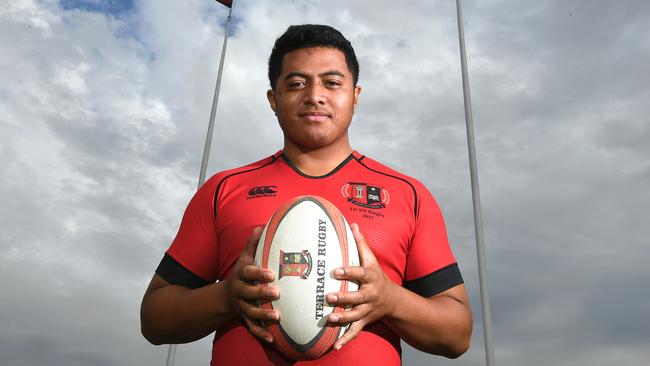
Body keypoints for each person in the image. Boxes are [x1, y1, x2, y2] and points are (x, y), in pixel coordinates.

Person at [140, 24, 472, 365]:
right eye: (297, 84)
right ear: (274, 99)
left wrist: (389, 300)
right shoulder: (225, 189)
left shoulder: (407, 195)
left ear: (355, 96)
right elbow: (154, 318)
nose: (315, 95)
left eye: (332, 82)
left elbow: (457, 333)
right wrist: (226, 296)